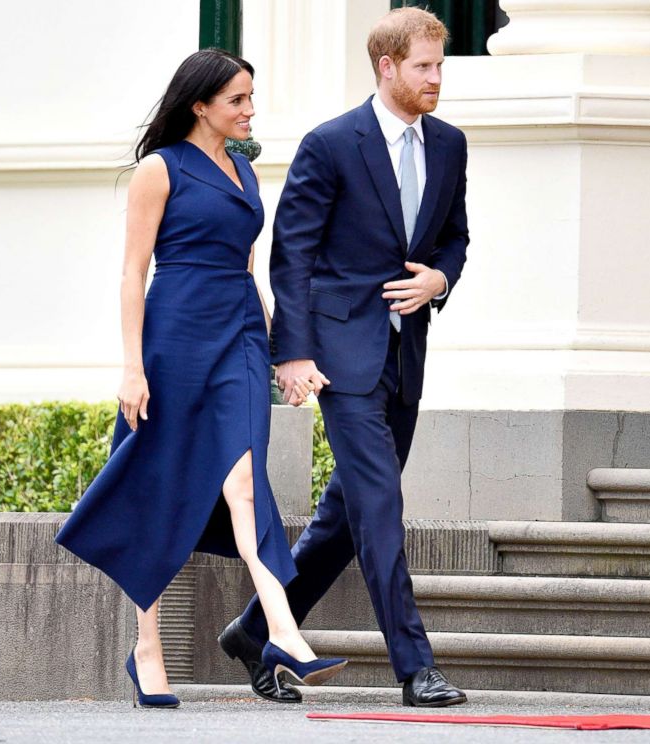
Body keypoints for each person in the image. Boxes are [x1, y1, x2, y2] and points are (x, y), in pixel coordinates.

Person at [53, 48, 346, 709]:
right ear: (200, 105)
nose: (250, 109)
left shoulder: (246, 171)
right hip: (175, 335)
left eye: (251, 97)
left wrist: (282, 354)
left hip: (239, 332)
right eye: (238, 99)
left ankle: (285, 634)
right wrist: (131, 366)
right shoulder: (159, 171)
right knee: (155, 486)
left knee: (245, 481)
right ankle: (147, 646)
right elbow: (133, 272)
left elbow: (248, 268)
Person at [217, 8, 470, 707]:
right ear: (387, 67)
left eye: (440, 66)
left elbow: (454, 237)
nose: (435, 78)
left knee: (344, 519)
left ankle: (253, 632)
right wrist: (291, 352)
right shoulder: (330, 143)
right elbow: (292, 254)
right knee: (381, 504)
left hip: (405, 353)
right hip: (340, 357)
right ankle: (415, 667)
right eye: (424, 66)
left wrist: (439, 279)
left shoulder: (449, 145)